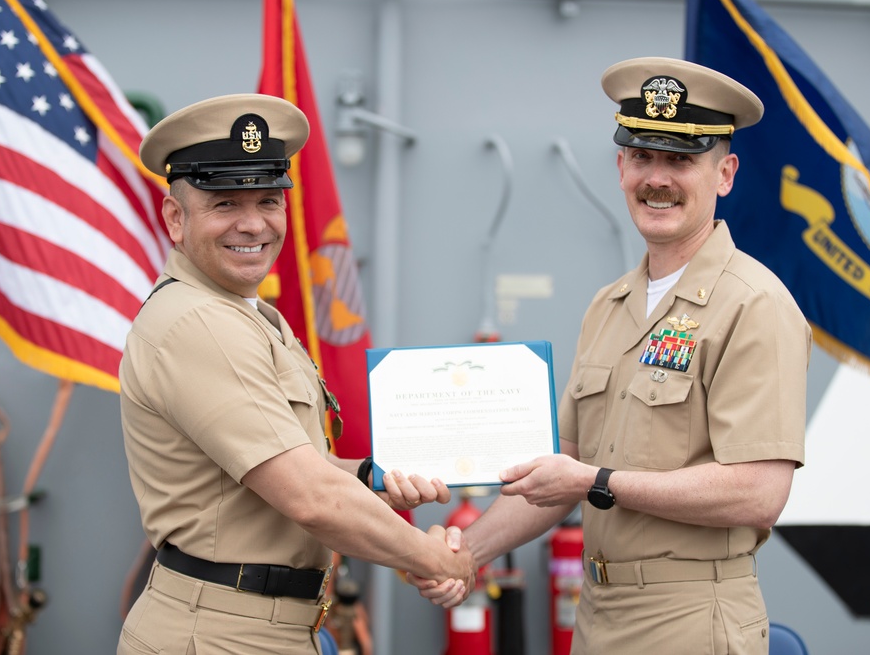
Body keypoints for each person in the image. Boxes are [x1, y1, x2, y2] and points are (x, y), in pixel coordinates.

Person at [415, 57, 811, 654]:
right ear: (621, 166)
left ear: (724, 174)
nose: (658, 178)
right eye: (644, 157)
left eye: (681, 160)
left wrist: (599, 482)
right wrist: (465, 554)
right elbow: (561, 468)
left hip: (693, 622)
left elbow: (757, 493)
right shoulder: (609, 305)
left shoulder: (754, 303)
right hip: (597, 619)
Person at [118, 93, 474, 655]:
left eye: (268, 199)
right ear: (175, 218)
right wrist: (435, 559)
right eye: (225, 204)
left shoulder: (251, 315)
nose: (254, 224)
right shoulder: (200, 323)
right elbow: (309, 497)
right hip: (219, 632)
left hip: (265, 624)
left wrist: (372, 477)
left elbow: (296, 463)